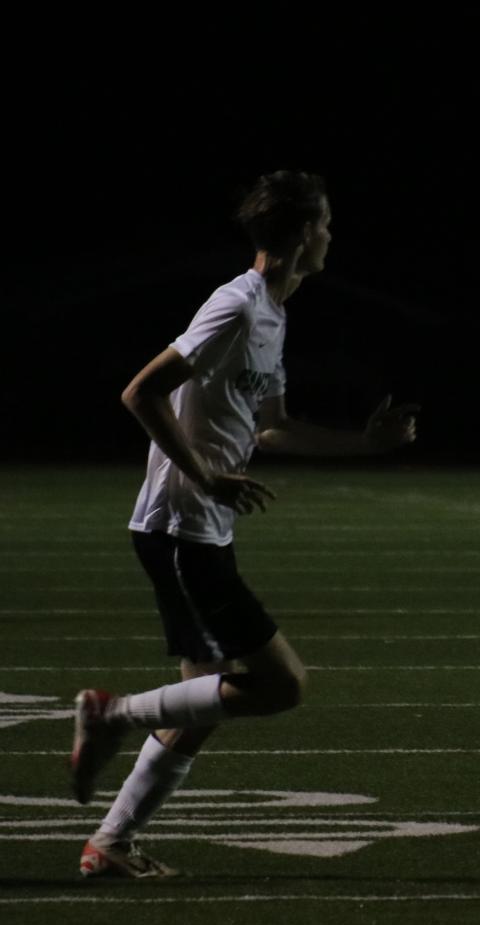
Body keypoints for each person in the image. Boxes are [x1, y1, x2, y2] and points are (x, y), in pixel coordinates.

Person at [67, 171, 418, 877]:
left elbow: (273, 431)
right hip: (176, 527)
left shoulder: (273, 315)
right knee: (281, 684)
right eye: (323, 224)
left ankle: (111, 844)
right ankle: (111, 717)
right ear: (297, 236)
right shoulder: (234, 305)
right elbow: (141, 392)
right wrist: (201, 473)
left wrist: (365, 444)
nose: (329, 236)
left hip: (200, 526)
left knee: (204, 704)